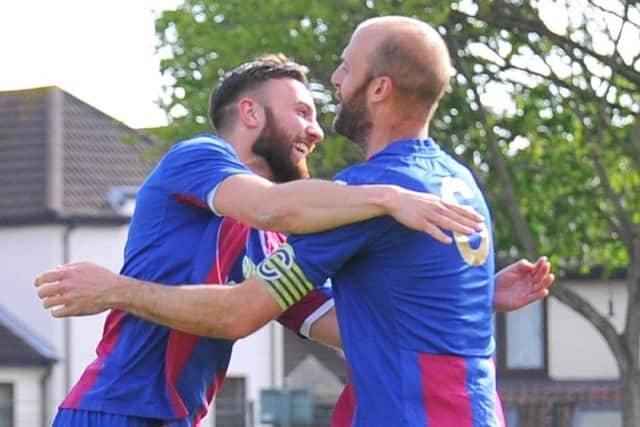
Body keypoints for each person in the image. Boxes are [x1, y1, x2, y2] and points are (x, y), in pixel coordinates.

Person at [35, 21, 556, 426]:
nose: (316, 129)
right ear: (251, 114)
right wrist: (389, 196)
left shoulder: (289, 232)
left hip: (172, 415)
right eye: (302, 112)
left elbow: (347, 324)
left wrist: (466, 295)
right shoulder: (200, 157)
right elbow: (268, 210)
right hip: (115, 408)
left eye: (341, 75)